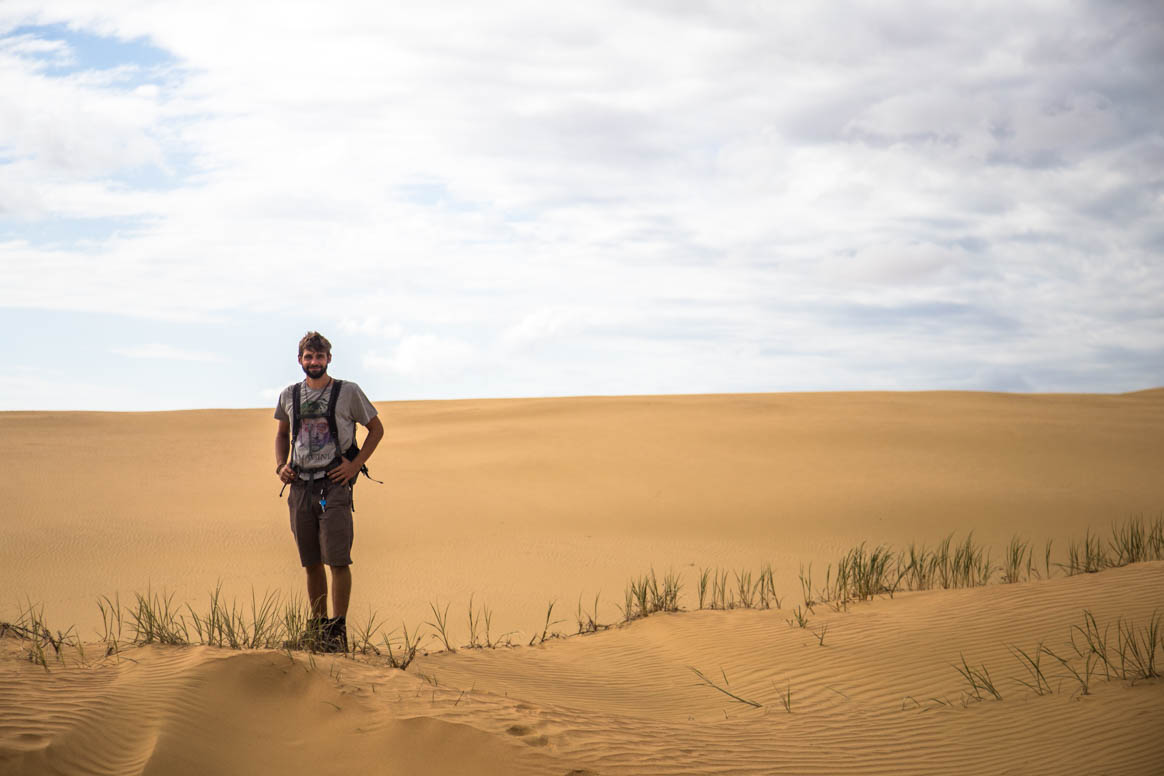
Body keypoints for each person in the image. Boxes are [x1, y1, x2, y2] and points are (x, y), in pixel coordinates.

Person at [274, 331, 384, 652]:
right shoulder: (288, 395)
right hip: (300, 488)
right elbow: (282, 434)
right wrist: (280, 465)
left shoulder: (348, 392)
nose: (314, 362)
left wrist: (354, 466)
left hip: (333, 486)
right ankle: (318, 633)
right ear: (300, 360)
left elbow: (376, 429)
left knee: (337, 559)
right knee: (310, 562)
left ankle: (338, 634)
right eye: (308, 357)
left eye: (319, 357)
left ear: (329, 359)